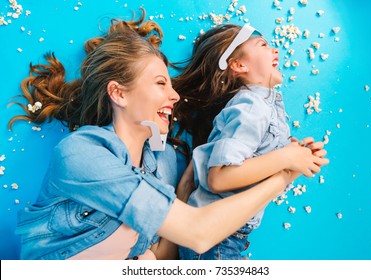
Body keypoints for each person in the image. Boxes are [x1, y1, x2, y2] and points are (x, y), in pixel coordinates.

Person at [8, 11, 310, 260]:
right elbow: (199, 233)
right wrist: (283, 174)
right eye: (160, 83)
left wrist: (184, 189)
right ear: (118, 93)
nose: (174, 95)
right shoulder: (81, 153)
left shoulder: (165, 162)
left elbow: (166, 256)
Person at [170, 23, 329, 260]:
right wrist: (285, 157)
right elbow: (219, 177)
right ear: (238, 65)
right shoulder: (252, 106)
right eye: (263, 44)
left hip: (226, 238)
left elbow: (252, 170)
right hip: (218, 238)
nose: (275, 50)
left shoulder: (263, 107)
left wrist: (296, 158)